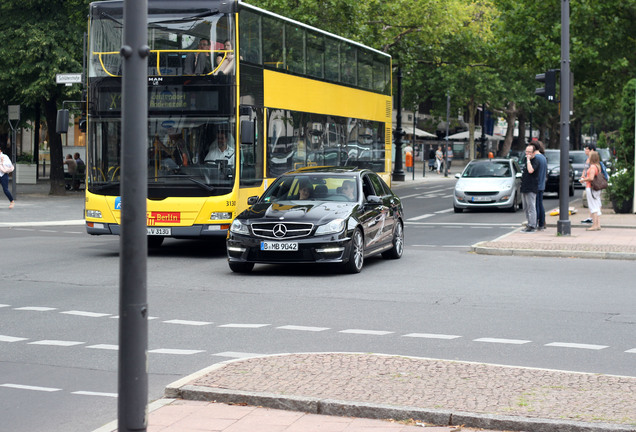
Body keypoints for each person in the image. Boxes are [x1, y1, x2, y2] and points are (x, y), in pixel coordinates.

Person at [580, 143, 608, 224]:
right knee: (594, 202)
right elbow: (585, 170)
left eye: (587, 149)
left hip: (592, 185)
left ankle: (594, 220)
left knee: (594, 203)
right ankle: (593, 219)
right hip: (591, 184)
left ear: (592, 150)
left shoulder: (593, 165)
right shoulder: (591, 162)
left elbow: (591, 176)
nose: (585, 151)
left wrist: (584, 179)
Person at [580, 150, 602, 231]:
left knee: (593, 206)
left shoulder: (592, 167)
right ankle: (598, 224)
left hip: (591, 188)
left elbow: (591, 178)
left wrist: (583, 180)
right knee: (596, 205)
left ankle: (594, 225)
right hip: (596, 189)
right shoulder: (598, 166)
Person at [520, 143, 540, 233]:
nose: (527, 154)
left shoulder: (535, 161)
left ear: (533, 153)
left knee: (531, 207)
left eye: (529, 152)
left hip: (531, 187)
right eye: (526, 152)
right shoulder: (525, 161)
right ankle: (529, 223)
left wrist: (528, 160)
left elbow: (531, 170)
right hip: (524, 186)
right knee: (525, 207)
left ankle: (532, 225)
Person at [533, 141, 547, 231]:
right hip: (541, 184)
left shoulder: (536, 158)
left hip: (535, 184)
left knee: (536, 205)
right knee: (540, 204)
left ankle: (536, 222)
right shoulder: (543, 157)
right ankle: (542, 222)